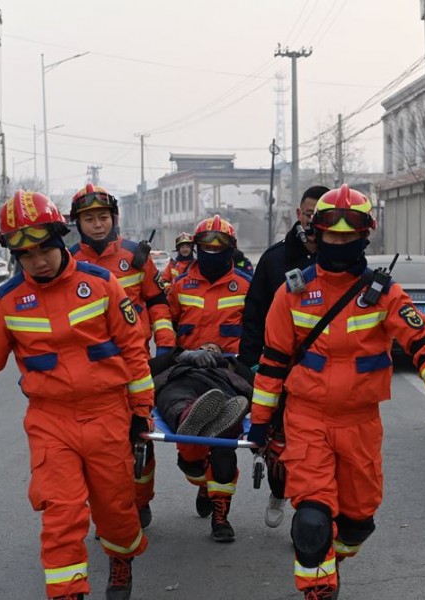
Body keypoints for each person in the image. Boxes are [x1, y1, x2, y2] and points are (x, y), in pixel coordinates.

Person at [247, 184, 425, 599]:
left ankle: (333, 558)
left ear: (364, 237)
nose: (339, 243)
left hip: (360, 424)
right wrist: (259, 423)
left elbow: (423, 345)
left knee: (358, 519)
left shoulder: (384, 295)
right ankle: (319, 587)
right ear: (318, 234)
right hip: (307, 420)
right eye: (332, 235)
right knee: (311, 519)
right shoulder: (292, 294)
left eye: (348, 236)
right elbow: (272, 365)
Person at [0, 191, 155, 600]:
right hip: (50, 421)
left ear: (60, 239)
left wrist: (140, 411)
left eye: (45, 249)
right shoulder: (7, 303)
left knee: (116, 512)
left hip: (107, 415)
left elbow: (133, 351)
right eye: (27, 255)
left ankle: (121, 558)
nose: (38, 260)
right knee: (61, 513)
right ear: (15, 256)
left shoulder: (102, 285)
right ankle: (68, 593)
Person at [68, 183, 175, 528]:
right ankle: (110, 513)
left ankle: (140, 502)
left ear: (113, 218)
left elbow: (158, 301)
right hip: (88, 372)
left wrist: (167, 343)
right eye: (89, 219)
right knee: (98, 449)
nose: (97, 224)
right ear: (77, 224)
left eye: (102, 217)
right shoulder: (68, 262)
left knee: (139, 437)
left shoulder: (136, 258)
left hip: (134, 365)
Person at [239, 184, 329, 528]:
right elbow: (254, 313)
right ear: (299, 215)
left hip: (322, 377)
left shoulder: (338, 260)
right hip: (277, 368)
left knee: (314, 448)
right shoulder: (275, 259)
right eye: (309, 214)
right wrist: (249, 363)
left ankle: (310, 519)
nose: (313, 221)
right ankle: (279, 490)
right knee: (278, 444)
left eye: (320, 216)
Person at [165, 214, 251, 543]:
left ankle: (221, 515)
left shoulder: (245, 285)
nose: (213, 252)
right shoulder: (179, 285)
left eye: (221, 247)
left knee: (225, 438)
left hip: (228, 370)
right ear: (197, 249)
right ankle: (198, 471)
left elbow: (257, 334)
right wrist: (177, 354)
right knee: (174, 403)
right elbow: (164, 328)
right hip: (186, 365)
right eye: (206, 247)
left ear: (231, 249)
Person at [150, 344, 253, 438]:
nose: (211, 349)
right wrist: (182, 356)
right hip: (181, 379)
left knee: (228, 403)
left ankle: (223, 424)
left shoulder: (230, 364)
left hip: (220, 385)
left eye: (215, 349)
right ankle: (187, 418)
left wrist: (229, 363)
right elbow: (149, 368)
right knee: (173, 397)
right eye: (206, 347)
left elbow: (255, 382)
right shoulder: (179, 359)